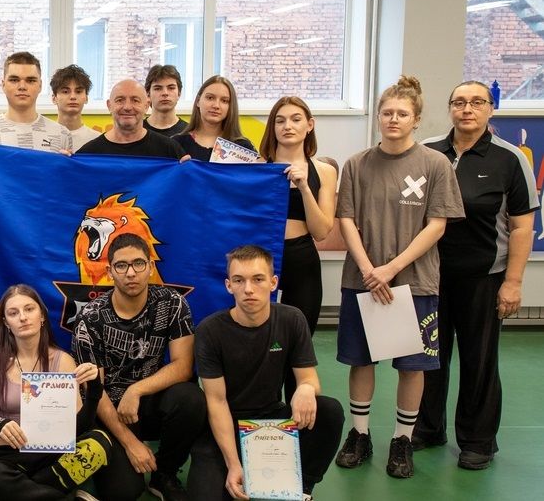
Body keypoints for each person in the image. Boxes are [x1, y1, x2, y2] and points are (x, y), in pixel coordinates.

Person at [333, 75, 464, 479]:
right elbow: (346, 220)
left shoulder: (435, 164)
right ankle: (359, 434)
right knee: (361, 361)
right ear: (378, 117)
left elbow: (437, 225)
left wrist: (391, 269)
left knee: (412, 366)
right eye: (387, 112)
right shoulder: (356, 164)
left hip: (415, 283)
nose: (393, 119)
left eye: (402, 114)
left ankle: (402, 440)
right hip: (362, 281)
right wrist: (369, 270)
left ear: (416, 119)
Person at [416, 80, 539, 470]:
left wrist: (513, 282)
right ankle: (427, 428)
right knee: (428, 357)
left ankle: (477, 441)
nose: (467, 109)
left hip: (484, 277)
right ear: (450, 108)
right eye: (459, 102)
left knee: (479, 361)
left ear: (490, 109)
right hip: (430, 276)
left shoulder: (509, 158)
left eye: (476, 102)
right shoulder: (428, 152)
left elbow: (522, 227)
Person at [190, 245, 343, 501]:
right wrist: (233, 464)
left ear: (273, 283)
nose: (248, 289)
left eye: (258, 279)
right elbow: (216, 402)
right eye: (239, 280)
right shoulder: (209, 330)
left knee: (329, 411)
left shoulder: (292, 319)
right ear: (229, 286)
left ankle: (302, 487)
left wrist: (306, 388)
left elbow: (309, 379)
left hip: (272, 422)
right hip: (227, 424)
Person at [0, 284, 139, 500]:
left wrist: (94, 390)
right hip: (9, 455)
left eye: (29, 309)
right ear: (6, 322)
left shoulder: (62, 360)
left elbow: (78, 428)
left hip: (53, 453)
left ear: (41, 316)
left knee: (99, 441)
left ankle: (23, 492)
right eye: (13, 313)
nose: (22, 317)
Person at [72, 233, 207, 501]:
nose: (131, 273)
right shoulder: (90, 317)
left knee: (191, 399)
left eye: (138, 263)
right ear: (110, 271)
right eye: (121, 265)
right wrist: (130, 443)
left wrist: (136, 390)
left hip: (148, 401)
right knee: (123, 492)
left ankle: (164, 474)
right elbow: (94, 390)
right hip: (108, 410)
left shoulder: (172, 303)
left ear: (150, 267)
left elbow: (183, 366)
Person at [257, 96, 337, 334]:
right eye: (280, 121)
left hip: (301, 258)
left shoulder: (325, 171)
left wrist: (304, 188)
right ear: (272, 127)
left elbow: (321, 232)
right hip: (260, 257)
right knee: (258, 337)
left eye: (295, 119)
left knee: (299, 335)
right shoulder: (255, 167)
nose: (287, 126)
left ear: (309, 125)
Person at [0, 52, 72, 157]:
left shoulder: (61, 134)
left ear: (40, 86)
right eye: (14, 80)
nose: (22, 87)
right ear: (3, 85)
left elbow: (67, 169)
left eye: (30, 80)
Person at [76, 79, 187, 159]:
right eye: (120, 100)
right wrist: (67, 163)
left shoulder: (169, 150)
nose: (127, 107)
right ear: (109, 106)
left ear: (146, 106)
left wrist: (188, 170)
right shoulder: (88, 154)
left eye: (135, 100)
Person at [172, 75, 255, 161]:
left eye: (224, 101)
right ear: (198, 101)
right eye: (210, 98)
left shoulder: (243, 149)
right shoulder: (176, 144)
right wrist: (178, 168)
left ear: (230, 107)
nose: (216, 105)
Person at [50, 64, 101, 150]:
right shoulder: (42, 137)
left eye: (78, 91)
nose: (73, 97)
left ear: (86, 98)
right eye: (65, 92)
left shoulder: (97, 140)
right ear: (54, 98)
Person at [143, 65, 188, 137]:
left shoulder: (190, 133)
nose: (165, 93)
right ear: (148, 94)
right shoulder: (136, 131)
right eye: (158, 88)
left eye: (171, 88)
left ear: (179, 93)